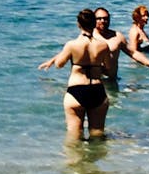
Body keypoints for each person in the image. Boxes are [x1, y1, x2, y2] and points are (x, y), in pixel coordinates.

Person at [38, 8, 113, 141]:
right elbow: (108, 69)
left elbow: (59, 64)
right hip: (97, 90)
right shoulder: (103, 45)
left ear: (79, 24)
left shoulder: (72, 45)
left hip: (76, 90)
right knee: (97, 134)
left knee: (74, 136)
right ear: (94, 24)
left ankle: (76, 161)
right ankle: (95, 159)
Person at [93, 7, 149, 79]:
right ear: (93, 20)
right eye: (99, 18)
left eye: (105, 18)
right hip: (95, 82)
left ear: (109, 19)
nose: (102, 21)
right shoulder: (89, 38)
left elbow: (133, 53)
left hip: (113, 81)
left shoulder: (117, 36)